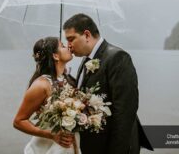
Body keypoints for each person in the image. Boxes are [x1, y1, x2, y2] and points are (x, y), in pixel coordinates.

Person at [63, 13, 154, 154]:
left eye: (71, 39)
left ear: (86, 35)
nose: (69, 46)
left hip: (112, 146)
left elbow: (125, 112)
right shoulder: (86, 60)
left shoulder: (118, 57)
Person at [13, 37, 81, 154]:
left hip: (69, 146)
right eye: (63, 46)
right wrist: (51, 135)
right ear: (55, 56)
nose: (68, 47)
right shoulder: (41, 85)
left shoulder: (67, 79)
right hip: (47, 148)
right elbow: (18, 121)